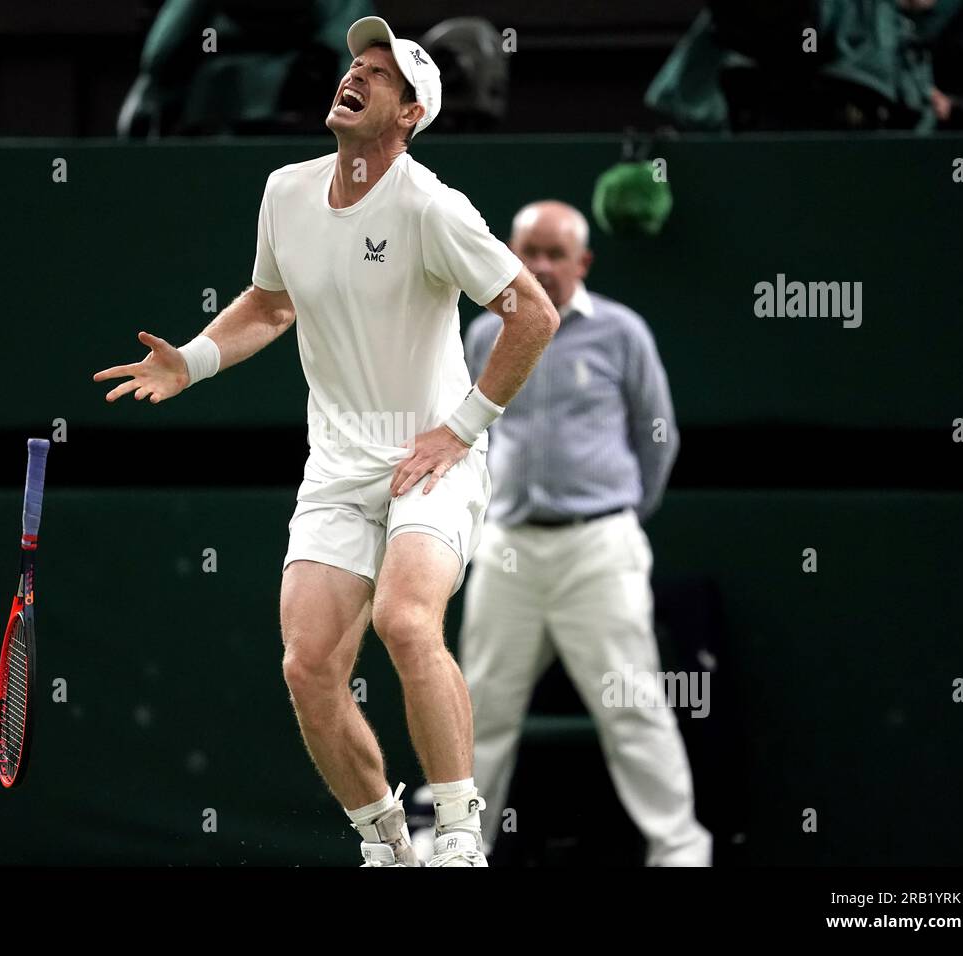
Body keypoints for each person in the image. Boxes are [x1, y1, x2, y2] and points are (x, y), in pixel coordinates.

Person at [93, 16, 559, 866]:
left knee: (406, 621)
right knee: (308, 669)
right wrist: (191, 363)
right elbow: (271, 304)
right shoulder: (286, 192)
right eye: (355, 65)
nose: (355, 77)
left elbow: (532, 313)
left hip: (431, 458)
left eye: (380, 75)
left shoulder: (432, 206)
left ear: (411, 114)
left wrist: (459, 431)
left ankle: (458, 836)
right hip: (338, 467)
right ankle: (385, 843)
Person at [460, 200, 712, 866]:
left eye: (554, 254)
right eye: (529, 252)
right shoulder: (484, 337)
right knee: (475, 710)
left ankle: (680, 850)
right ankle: (456, 848)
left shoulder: (623, 334)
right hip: (508, 548)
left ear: (583, 263)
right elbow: (472, 440)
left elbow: (657, 438)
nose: (540, 266)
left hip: (599, 547)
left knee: (633, 708)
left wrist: (615, 514)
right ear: (509, 256)